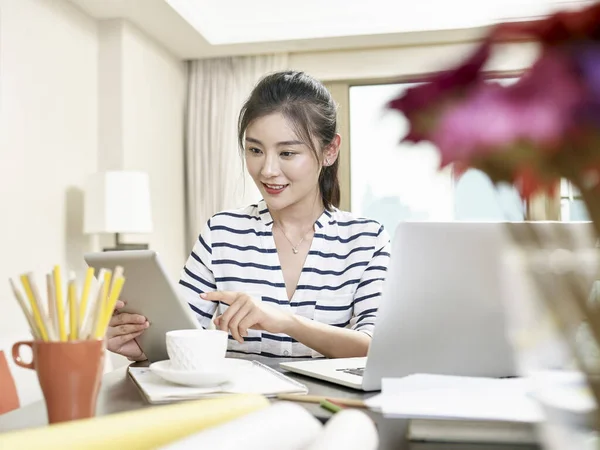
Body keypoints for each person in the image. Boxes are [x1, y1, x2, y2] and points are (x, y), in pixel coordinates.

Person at [107, 71, 391, 361]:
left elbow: (377, 347)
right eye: (255, 149)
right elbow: (181, 333)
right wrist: (143, 348)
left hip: (329, 406)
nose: (267, 170)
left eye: (287, 153)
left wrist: (284, 321)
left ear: (330, 151)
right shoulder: (221, 233)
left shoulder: (366, 240)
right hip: (237, 405)